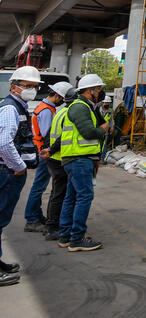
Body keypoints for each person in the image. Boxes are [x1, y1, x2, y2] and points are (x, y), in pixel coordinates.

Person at [50, 73, 110, 252]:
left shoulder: (84, 107)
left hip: (76, 159)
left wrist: (51, 150)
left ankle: (65, 236)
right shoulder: (80, 107)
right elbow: (89, 132)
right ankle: (76, 238)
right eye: (98, 89)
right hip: (79, 159)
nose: (100, 92)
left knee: (72, 197)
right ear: (90, 91)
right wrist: (103, 128)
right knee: (84, 196)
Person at [0, 66, 42, 286]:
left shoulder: (18, 107)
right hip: (7, 172)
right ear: (14, 87)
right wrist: (18, 166)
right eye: (28, 86)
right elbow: (4, 143)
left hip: (9, 171)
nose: (32, 90)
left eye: (35, 87)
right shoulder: (10, 108)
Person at [23, 81, 74, 232]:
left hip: (42, 150)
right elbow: (48, 135)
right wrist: (52, 150)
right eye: (62, 98)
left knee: (39, 186)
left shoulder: (45, 107)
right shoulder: (46, 111)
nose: (62, 102)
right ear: (57, 96)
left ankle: (36, 216)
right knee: (39, 186)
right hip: (44, 152)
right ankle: (32, 219)